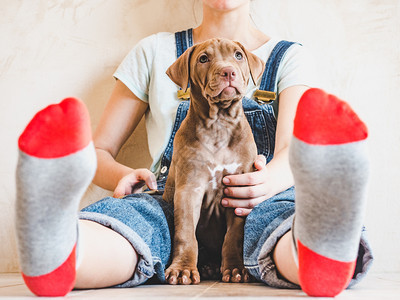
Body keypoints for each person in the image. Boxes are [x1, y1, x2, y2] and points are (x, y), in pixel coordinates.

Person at [15, 0, 373, 297]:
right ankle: (60, 253)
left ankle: (318, 250)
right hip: (169, 198)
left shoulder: (289, 57)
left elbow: (292, 152)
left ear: (248, 68)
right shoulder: (154, 51)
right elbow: (99, 151)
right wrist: (127, 175)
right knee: (137, 220)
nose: (226, 69)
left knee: (277, 219)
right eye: (207, 62)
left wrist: (262, 184)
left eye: (236, 61)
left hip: (262, 197)